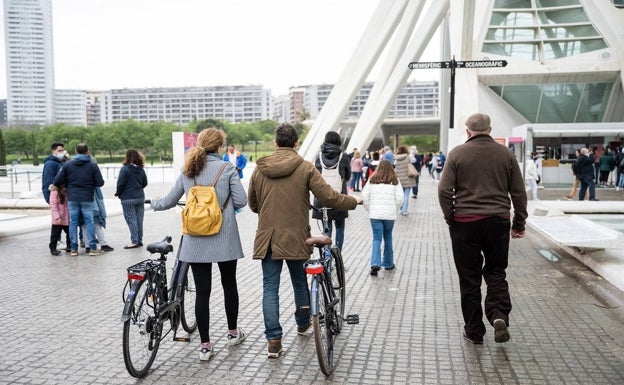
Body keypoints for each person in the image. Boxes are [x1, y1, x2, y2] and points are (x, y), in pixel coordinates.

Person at [247, 123, 360, 359]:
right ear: (296, 143)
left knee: (270, 288)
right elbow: (328, 196)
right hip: (297, 237)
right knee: (300, 282)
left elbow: (253, 205)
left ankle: (274, 341)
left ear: (276, 143)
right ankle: (302, 324)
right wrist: (353, 202)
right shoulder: (305, 167)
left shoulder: (259, 169)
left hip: (268, 238)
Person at [149, 127, 248, 361]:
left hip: (195, 239)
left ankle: (205, 346)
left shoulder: (188, 170)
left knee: (202, 292)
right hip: (225, 237)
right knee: (229, 285)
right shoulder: (227, 168)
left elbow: (169, 201)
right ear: (220, 147)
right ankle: (233, 333)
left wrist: (153, 203)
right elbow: (242, 200)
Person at [438, 113, 527, 345]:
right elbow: (518, 192)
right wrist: (519, 224)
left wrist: (451, 217)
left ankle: (474, 331)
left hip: (465, 223)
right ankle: (499, 315)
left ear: (468, 131)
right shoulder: (506, 154)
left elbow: (444, 191)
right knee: (496, 272)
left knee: (469, 278)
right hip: (497, 221)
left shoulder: (457, 153)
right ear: (489, 129)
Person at [53, 143, 105, 257]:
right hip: (87, 197)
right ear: (87, 152)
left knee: (73, 223)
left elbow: (57, 180)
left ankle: (74, 249)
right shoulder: (92, 165)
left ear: (75, 152)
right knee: (89, 222)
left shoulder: (68, 165)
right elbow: (100, 182)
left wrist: (68, 183)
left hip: (73, 198)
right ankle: (92, 248)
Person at [361, 160, 404, 276]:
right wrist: (394, 209)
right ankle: (388, 264)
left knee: (376, 238)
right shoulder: (395, 181)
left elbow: (364, 196)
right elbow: (400, 198)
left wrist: (370, 209)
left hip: (375, 215)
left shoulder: (372, 180)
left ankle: (375, 264)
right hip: (389, 215)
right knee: (388, 237)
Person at [313, 131, 351, 251]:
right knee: (340, 227)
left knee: (326, 228)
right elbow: (348, 176)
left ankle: (327, 256)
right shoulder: (343, 157)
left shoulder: (318, 157)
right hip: (339, 197)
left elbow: (316, 177)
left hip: (322, 197)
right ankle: (337, 255)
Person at [116, 149, 149, 249]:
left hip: (127, 198)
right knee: (139, 219)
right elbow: (145, 183)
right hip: (140, 197)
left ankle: (134, 241)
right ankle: (139, 240)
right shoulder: (141, 169)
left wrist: (118, 193)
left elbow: (120, 183)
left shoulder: (125, 169)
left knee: (131, 220)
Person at [48, 184, 71, 255]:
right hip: (58, 218)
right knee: (55, 235)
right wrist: (57, 217)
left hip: (67, 217)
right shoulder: (54, 191)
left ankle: (69, 246)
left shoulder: (66, 189)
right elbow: (53, 205)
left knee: (70, 233)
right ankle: (53, 248)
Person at [394, 145, 416, 215]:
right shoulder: (408, 156)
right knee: (406, 195)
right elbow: (414, 161)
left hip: (400, 179)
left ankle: (402, 208)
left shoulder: (396, 158)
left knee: (401, 195)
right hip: (408, 178)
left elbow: (396, 168)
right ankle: (404, 210)